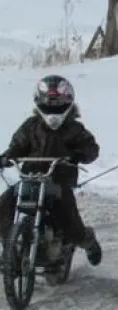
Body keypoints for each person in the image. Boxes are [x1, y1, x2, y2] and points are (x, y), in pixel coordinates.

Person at [0, 75, 102, 266]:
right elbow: (18, 146)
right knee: (4, 206)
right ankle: (10, 250)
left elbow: (91, 149)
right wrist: (8, 156)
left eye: (58, 100)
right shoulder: (31, 127)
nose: (52, 105)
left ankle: (87, 240)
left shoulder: (74, 128)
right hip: (30, 179)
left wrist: (78, 155)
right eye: (49, 100)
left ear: (68, 101)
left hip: (59, 181)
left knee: (69, 220)